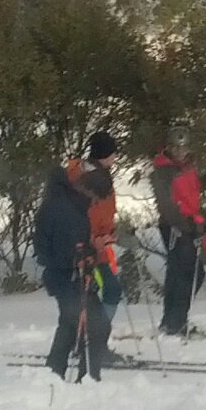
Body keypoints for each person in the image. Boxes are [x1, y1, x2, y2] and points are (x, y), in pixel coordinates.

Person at [32, 159, 100, 379]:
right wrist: (80, 257)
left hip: (68, 273)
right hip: (68, 274)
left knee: (75, 322)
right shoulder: (64, 208)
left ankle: (65, 370)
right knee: (78, 321)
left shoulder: (66, 203)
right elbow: (61, 245)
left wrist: (87, 252)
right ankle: (70, 371)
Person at [66, 130, 125, 376]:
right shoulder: (81, 178)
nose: (114, 158)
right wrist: (93, 239)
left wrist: (112, 232)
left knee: (109, 291)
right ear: (104, 154)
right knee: (92, 296)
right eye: (112, 153)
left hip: (101, 247)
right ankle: (88, 344)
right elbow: (75, 217)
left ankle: (93, 342)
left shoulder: (102, 176)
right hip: (85, 250)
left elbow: (105, 212)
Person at [150, 127, 206, 338]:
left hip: (188, 224)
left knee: (181, 273)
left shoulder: (187, 166)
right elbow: (166, 205)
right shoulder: (163, 171)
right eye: (176, 147)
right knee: (188, 273)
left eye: (183, 147)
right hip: (175, 226)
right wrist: (186, 226)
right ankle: (176, 322)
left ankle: (172, 320)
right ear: (169, 147)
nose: (180, 151)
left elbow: (193, 190)